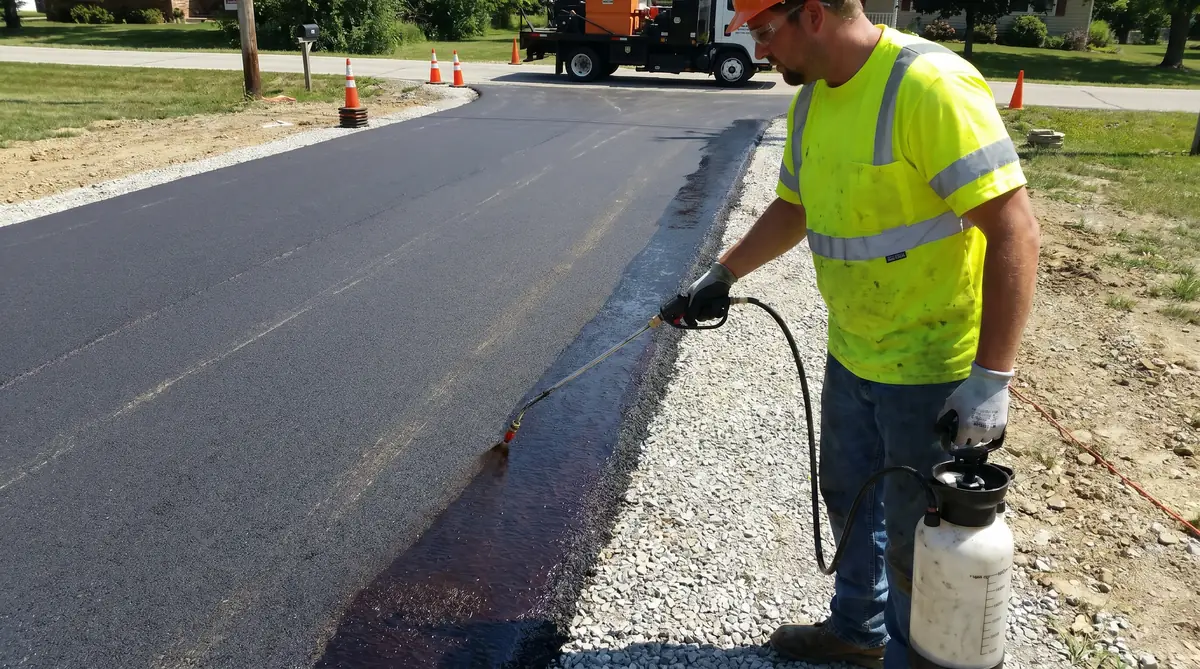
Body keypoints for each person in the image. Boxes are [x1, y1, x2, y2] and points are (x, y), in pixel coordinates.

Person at [668, 1, 1041, 668]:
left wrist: (991, 379)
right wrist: (723, 274)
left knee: (917, 536)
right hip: (853, 349)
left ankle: (914, 657)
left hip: (931, 367)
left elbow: (1015, 229)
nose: (759, 51)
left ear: (812, 14)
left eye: (763, 32)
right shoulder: (812, 100)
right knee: (848, 494)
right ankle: (858, 631)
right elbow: (795, 207)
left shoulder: (927, 87)